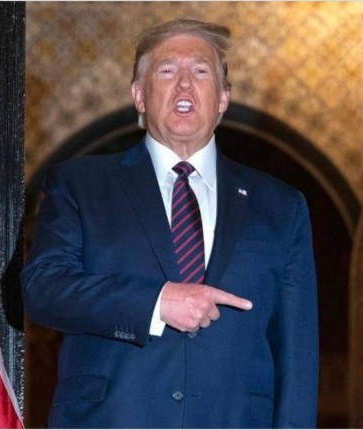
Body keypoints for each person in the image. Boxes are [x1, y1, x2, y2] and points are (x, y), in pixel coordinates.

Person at [22, 19, 318, 428]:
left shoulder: (281, 206)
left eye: (200, 71)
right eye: (167, 71)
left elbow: (297, 353)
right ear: (139, 95)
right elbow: (43, 289)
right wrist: (156, 303)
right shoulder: (81, 185)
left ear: (223, 98)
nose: (184, 84)